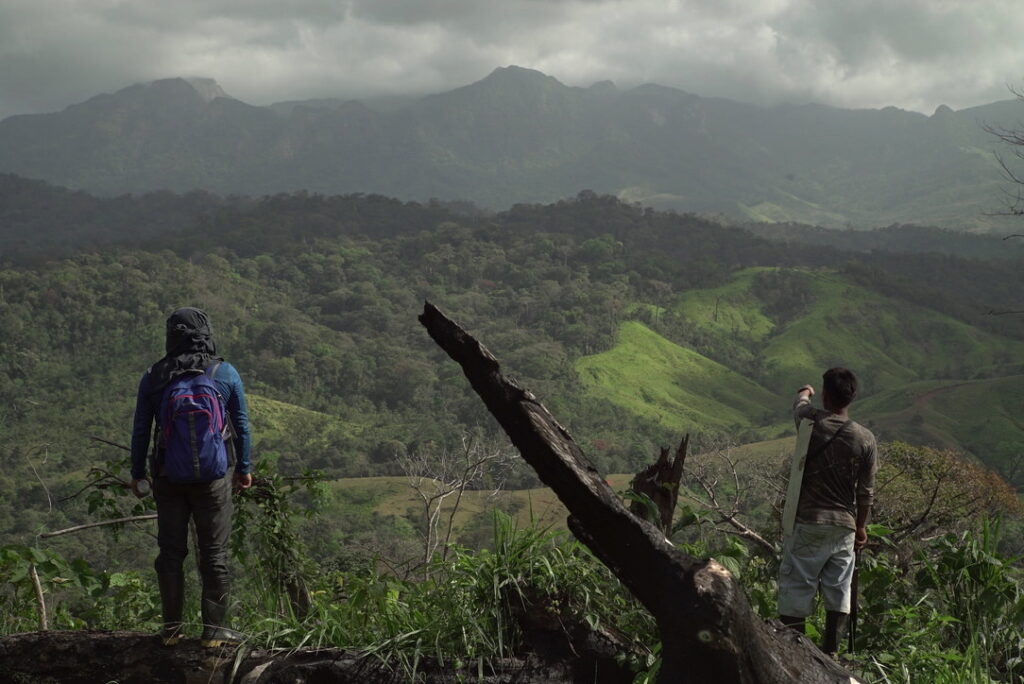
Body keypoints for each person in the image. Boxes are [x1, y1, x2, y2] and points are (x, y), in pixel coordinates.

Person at [129, 307, 252, 646]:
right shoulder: (224, 372)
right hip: (212, 478)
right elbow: (240, 425)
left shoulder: (154, 376)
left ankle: (171, 631)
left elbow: (141, 430)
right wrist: (243, 468)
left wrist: (138, 474)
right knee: (215, 554)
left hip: (168, 477)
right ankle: (214, 633)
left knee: (170, 552)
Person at [777, 367, 878, 656]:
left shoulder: (811, 421)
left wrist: (803, 392)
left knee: (798, 584)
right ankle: (831, 654)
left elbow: (799, 406)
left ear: (825, 394)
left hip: (808, 519)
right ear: (852, 397)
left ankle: (795, 653)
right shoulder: (866, 438)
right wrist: (860, 527)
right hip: (844, 525)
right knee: (839, 589)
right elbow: (866, 491)